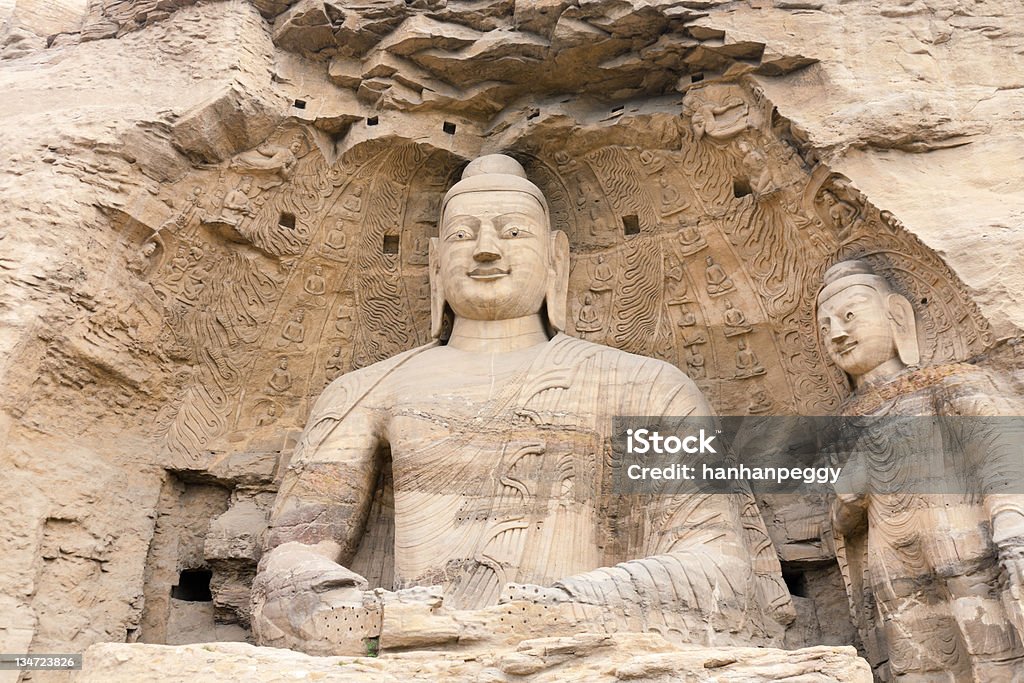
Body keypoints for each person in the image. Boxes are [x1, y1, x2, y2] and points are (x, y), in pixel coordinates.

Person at [252, 154, 791, 656]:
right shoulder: (368, 391)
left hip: (580, 637)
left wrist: (550, 609)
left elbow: (720, 571)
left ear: (557, 258)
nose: (487, 249)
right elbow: (287, 565)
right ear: (435, 263)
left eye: (513, 232)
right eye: (463, 236)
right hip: (411, 638)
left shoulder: (647, 385)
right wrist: (377, 615)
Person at [817, 259, 1024, 681]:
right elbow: (841, 525)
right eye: (825, 328)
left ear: (897, 315)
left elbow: (1004, 456)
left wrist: (1011, 526)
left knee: (997, 659)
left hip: (970, 548)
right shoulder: (842, 425)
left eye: (850, 316)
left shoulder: (948, 381)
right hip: (892, 572)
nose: (836, 333)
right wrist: (847, 497)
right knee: (917, 667)